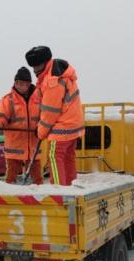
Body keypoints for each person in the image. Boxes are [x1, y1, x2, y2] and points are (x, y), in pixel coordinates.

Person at [25, 46, 84, 186]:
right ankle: (70, 187)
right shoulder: (59, 72)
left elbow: (50, 112)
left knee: (54, 157)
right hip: (73, 125)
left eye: (38, 66)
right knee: (67, 159)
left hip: (61, 128)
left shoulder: (52, 82)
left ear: (46, 62)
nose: (35, 70)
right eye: (33, 67)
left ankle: (59, 192)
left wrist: (40, 132)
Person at [0, 67, 43, 184]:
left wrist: (42, 128)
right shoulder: (8, 99)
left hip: (33, 147)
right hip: (14, 147)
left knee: (38, 180)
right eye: (18, 83)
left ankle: (41, 199)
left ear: (29, 84)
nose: (21, 86)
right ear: (15, 83)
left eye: (24, 83)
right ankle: (9, 200)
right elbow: (0, 116)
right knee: (11, 179)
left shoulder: (39, 98)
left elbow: (46, 116)